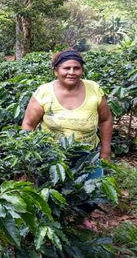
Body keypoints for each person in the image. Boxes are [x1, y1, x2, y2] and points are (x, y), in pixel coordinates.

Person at [22, 49, 112, 178]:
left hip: (88, 155)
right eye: (66, 68)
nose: (71, 72)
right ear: (56, 71)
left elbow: (105, 120)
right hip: (51, 156)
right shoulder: (44, 92)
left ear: (82, 71)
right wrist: (30, 156)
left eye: (76, 68)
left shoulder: (94, 89)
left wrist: (105, 152)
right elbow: (28, 124)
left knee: (89, 193)